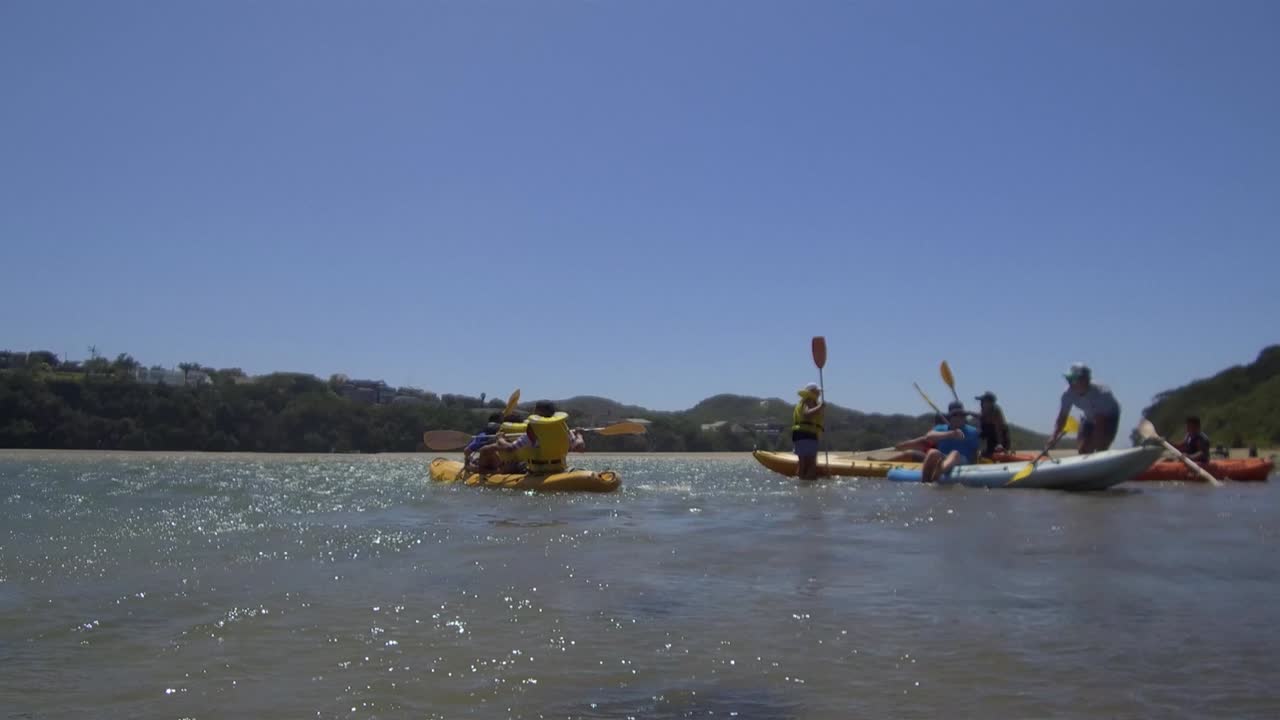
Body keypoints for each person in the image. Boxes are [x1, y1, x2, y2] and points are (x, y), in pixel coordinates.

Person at [894, 401, 981, 483]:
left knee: (955, 453)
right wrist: (950, 434)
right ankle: (925, 482)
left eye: (961, 416)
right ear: (950, 417)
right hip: (942, 457)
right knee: (932, 452)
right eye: (955, 415)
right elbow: (928, 437)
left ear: (964, 418)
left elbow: (976, 451)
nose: (958, 418)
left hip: (962, 460)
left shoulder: (972, 432)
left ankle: (940, 470)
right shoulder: (941, 428)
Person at [1054, 363, 1121, 454]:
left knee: (1100, 447)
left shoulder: (1102, 393)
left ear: (1085, 380)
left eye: (1073, 379)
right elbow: (1062, 417)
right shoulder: (1067, 394)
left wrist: (1096, 445)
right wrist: (1054, 437)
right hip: (1089, 417)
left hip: (1109, 417)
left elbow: (1100, 425)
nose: (1069, 383)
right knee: (1083, 450)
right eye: (1068, 379)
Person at [506, 400, 586, 475]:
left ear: (536, 413)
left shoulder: (532, 432)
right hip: (560, 470)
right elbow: (579, 447)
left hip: (538, 472)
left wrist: (500, 439)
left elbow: (510, 448)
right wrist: (579, 435)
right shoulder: (563, 428)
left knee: (519, 466)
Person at [791, 382, 825, 480]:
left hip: (803, 434)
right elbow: (806, 414)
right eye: (817, 391)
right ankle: (807, 485)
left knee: (803, 461)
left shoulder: (807, 401)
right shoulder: (809, 401)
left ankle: (802, 483)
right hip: (805, 434)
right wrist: (820, 407)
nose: (819, 393)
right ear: (811, 392)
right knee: (810, 462)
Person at [974, 391, 1012, 459]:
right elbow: (980, 431)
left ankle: (1003, 450)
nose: (981, 403)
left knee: (998, 453)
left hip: (1000, 437)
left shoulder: (996, 411)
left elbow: (998, 429)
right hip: (990, 437)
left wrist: (1000, 444)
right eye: (981, 401)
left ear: (990, 403)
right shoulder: (983, 411)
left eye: (983, 401)